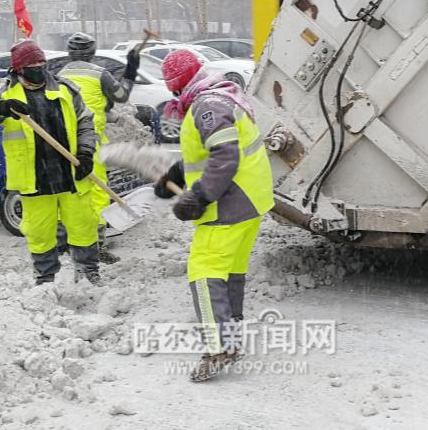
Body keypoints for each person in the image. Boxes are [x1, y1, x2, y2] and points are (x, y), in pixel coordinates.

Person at [154, 49, 274, 382]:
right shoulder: (220, 96)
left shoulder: (205, 106)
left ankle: (219, 347)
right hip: (251, 199)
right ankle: (232, 341)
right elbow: (211, 152)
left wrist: (199, 195)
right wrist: (178, 175)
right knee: (230, 273)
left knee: (205, 272)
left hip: (230, 203)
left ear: (177, 87)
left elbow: (225, 156)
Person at [0, 40, 100, 284]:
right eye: (32, 64)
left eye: (42, 62)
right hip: (34, 179)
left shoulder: (66, 89)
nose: (39, 67)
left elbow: (86, 121)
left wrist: (86, 152)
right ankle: (45, 278)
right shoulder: (6, 94)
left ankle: (88, 273)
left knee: (84, 226)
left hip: (70, 173)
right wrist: (1, 108)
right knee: (40, 232)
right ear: (20, 69)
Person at [57, 32, 140, 261]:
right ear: (93, 53)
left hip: (65, 141)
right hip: (91, 140)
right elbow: (121, 95)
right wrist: (131, 70)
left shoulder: (61, 75)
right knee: (98, 192)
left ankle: (65, 240)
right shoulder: (99, 73)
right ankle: (97, 245)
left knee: (71, 191)